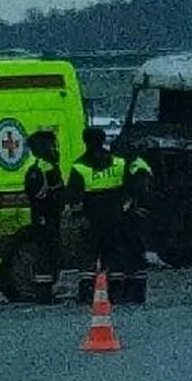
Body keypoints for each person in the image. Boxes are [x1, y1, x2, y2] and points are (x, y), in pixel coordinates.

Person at [65, 125, 130, 303]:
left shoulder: (79, 167)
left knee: (88, 256)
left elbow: (73, 196)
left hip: (92, 219)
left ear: (85, 142)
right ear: (103, 140)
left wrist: (76, 216)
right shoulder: (119, 163)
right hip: (116, 218)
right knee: (114, 255)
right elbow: (129, 189)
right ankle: (117, 293)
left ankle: (86, 294)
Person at [22, 129, 65, 302]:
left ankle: (47, 290)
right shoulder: (40, 168)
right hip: (45, 217)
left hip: (49, 216)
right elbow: (38, 194)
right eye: (51, 145)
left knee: (49, 252)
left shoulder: (46, 165)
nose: (54, 149)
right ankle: (44, 293)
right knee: (45, 253)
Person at [117, 145, 155, 304]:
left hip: (137, 214)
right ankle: (132, 290)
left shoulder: (137, 167)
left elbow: (140, 190)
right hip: (136, 212)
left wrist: (130, 206)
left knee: (135, 251)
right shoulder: (135, 165)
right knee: (130, 252)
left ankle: (136, 292)